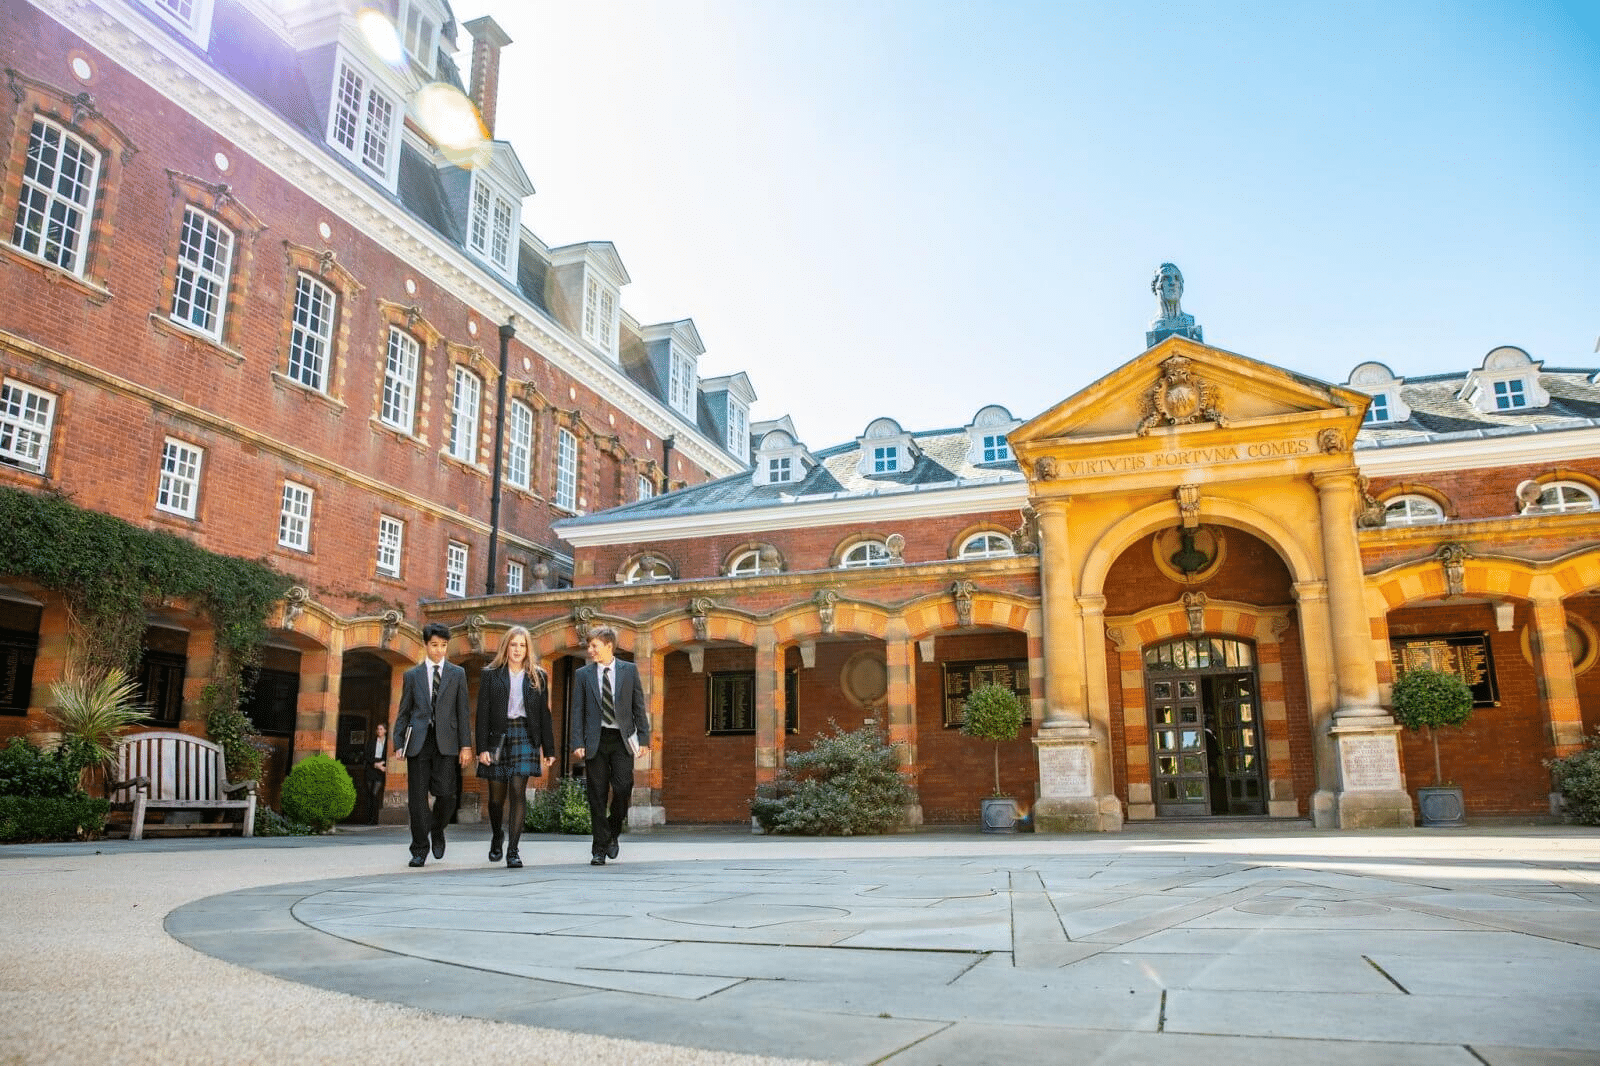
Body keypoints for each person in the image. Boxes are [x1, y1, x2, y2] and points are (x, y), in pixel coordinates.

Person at [393, 622, 472, 867]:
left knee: (447, 796)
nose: (439, 650)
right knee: (417, 799)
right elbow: (403, 712)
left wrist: (466, 746)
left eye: (444, 645)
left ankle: (437, 829)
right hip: (418, 743)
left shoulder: (457, 674)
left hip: (447, 743)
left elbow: (463, 712)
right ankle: (419, 849)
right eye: (435, 645)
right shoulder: (412, 675)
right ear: (426, 645)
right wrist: (398, 742)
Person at [475, 625, 555, 868]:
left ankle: (513, 850)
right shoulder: (491, 674)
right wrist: (482, 748)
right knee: (496, 799)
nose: (517, 649)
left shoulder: (538, 675)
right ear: (506, 647)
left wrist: (549, 749)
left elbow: (544, 714)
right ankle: (497, 835)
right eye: (513, 644)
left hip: (525, 735)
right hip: (497, 736)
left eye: (522, 645)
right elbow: (482, 714)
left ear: (527, 648)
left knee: (518, 793)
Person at [569, 626, 649, 866]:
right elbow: (577, 710)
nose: (590, 650)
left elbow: (638, 706)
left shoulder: (629, 671)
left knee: (624, 787)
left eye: (595, 646)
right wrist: (577, 741)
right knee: (597, 794)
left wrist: (644, 738)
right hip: (595, 740)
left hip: (621, 740)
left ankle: (612, 832)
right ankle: (598, 848)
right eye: (589, 646)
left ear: (609, 646)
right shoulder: (583, 675)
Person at [367, 722, 388, 824]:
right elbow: (367, 756)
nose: (379, 731)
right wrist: (376, 765)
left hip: (381, 769)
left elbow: (389, 755)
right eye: (378, 729)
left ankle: (375, 818)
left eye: (381, 729)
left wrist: (382, 764)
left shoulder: (388, 743)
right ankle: (370, 818)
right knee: (370, 793)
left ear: (385, 731)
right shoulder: (372, 742)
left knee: (375, 793)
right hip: (372, 768)